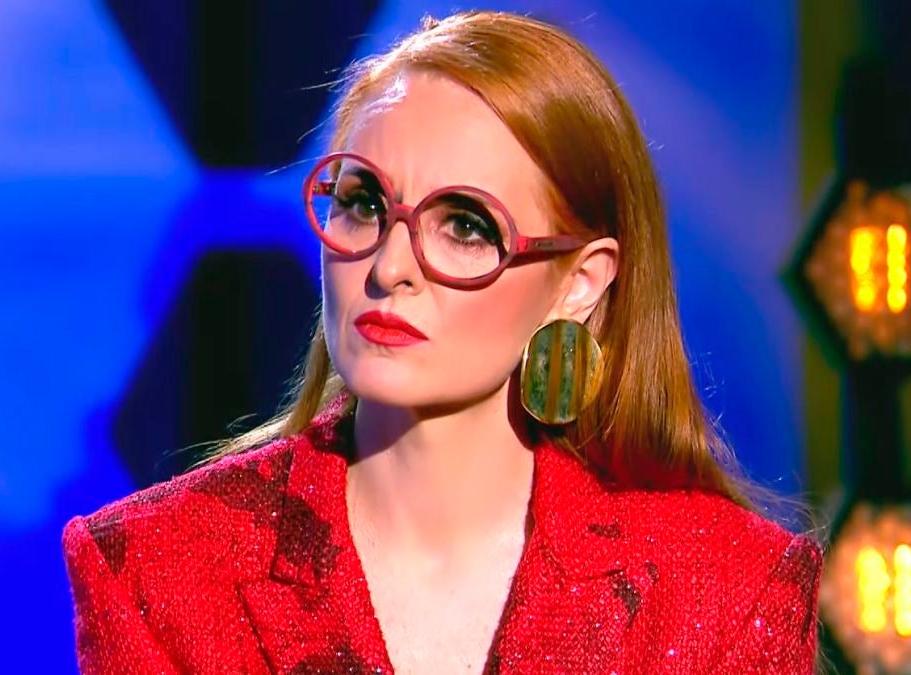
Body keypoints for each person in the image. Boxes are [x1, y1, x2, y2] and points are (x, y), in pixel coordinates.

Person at [62, 10, 822, 674]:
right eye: (363, 203)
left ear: (580, 282)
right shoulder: (158, 570)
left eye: (464, 225)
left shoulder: (724, 594)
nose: (389, 267)